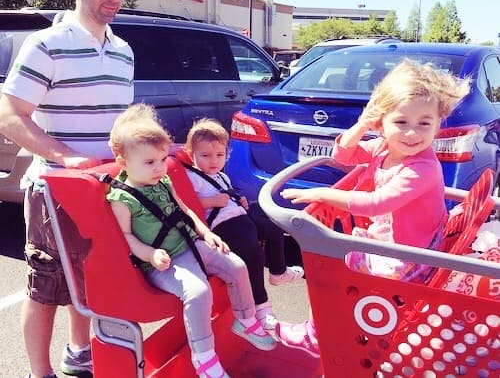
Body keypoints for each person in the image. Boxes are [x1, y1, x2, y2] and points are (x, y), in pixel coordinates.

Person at [0, 0, 134, 378]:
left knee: (91, 279)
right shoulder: (47, 44)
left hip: (106, 190)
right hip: (54, 193)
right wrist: (65, 158)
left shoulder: (123, 51)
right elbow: (8, 115)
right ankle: (40, 373)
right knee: (45, 290)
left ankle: (79, 354)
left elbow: (116, 124)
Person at [275, 59, 470, 357]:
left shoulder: (423, 167)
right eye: (401, 122)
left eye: (424, 124)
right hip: (394, 246)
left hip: (407, 259)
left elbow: (376, 204)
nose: (412, 133)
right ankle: (339, 329)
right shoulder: (383, 147)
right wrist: (364, 122)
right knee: (345, 257)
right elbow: (343, 154)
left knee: (333, 270)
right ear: (382, 123)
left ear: (437, 124)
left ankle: (319, 335)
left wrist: (325, 194)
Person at [106, 104, 276, 378]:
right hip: (163, 262)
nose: (160, 168)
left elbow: (185, 210)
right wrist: (150, 255)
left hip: (190, 243)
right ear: (123, 162)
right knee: (199, 292)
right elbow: (126, 237)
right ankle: (205, 359)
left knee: (237, 266)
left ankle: (245, 320)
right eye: (150, 163)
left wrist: (207, 233)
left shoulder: (162, 182)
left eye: (162, 160)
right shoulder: (122, 198)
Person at [184, 118, 304, 330]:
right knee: (253, 254)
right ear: (191, 154)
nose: (214, 161)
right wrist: (211, 202)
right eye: (205, 156)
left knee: (274, 230)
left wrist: (238, 201)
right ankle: (262, 306)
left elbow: (227, 196)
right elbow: (187, 206)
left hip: (240, 217)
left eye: (220, 155)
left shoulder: (221, 176)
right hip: (222, 226)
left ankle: (278, 272)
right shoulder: (192, 178)